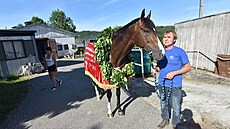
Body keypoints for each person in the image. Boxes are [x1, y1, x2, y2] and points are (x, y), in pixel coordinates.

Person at [152, 30, 191, 129]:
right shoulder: (161, 52)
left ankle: (175, 123)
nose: (166, 39)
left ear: (174, 40)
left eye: (169, 37)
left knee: (176, 105)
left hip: (175, 84)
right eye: (164, 37)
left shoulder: (179, 51)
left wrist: (174, 73)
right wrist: (156, 69)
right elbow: (159, 66)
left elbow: (188, 67)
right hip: (162, 82)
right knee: (163, 103)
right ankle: (165, 120)